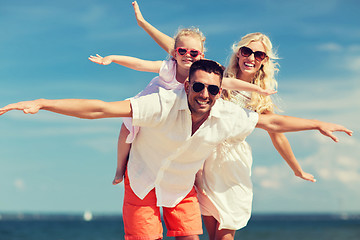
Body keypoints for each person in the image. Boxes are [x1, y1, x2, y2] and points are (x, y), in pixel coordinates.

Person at [0, 60, 352, 240]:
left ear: (219, 92)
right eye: (198, 86)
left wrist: (317, 123)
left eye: (212, 90)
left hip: (181, 188)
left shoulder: (227, 115)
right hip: (142, 183)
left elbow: (272, 123)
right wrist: (44, 103)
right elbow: (100, 109)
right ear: (187, 84)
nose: (204, 95)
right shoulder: (162, 104)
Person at [129, 2, 325, 239]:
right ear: (238, 53)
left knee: (225, 233)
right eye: (246, 51)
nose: (251, 57)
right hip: (204, 157)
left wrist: (297, 169)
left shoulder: (262, 100)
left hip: (234, 165)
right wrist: (144, 24)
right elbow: (182, 50)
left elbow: (277, 133)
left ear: (264, 60)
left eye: (258, 54)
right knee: (203, 230)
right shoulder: (218, 77)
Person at [88, 27, 275, 186]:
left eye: (194, 53)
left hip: (177, 111)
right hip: (155, 103)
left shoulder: (202, 73)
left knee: (194, 141)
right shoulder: (167, 67)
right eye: (182, 51)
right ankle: (120, 168)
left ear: (200, 55)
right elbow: (139, 64)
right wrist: (112, 58)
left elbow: (231, 84)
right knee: (126, 128)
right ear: (174, 53)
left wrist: (257, 89)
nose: (188, 56)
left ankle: (194, 183)